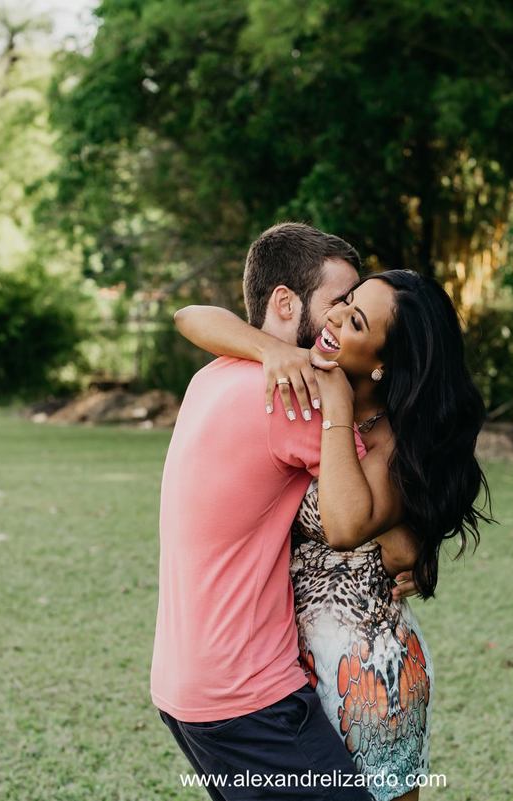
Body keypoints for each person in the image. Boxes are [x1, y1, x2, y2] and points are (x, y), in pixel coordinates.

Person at [174, 268, 492, 801]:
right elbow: (191, 317)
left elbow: (344, 527)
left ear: (384, 363)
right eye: (344, 302)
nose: (336, 318)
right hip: (287, 671)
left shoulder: (395, 445)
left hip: (368, 671)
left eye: (357, 321)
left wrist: (339, 405)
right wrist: (271, 351)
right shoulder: (309, 386)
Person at [151, 222, 375, 800]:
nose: (340, 319)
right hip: (249, 695)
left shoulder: (209, 376)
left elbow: (191, 316)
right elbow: (361, 511)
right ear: (284, 302)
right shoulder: (296, 398)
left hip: (184, 686)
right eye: (337, 301)